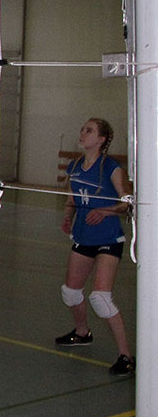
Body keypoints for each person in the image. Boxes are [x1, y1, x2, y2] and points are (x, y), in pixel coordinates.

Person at [55, 118, 134, 377]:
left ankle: (126, 356)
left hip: (108, 238)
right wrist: (68, 217)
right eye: (82, 129)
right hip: (83, 235)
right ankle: (82, 333)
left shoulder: (111, 167)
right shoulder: (76, 166)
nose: (82, 133)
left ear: (100, 140)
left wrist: (105, 211)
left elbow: (126, 202)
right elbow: (72, 197)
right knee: (70, 292)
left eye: (89, 130)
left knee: (100, 297)